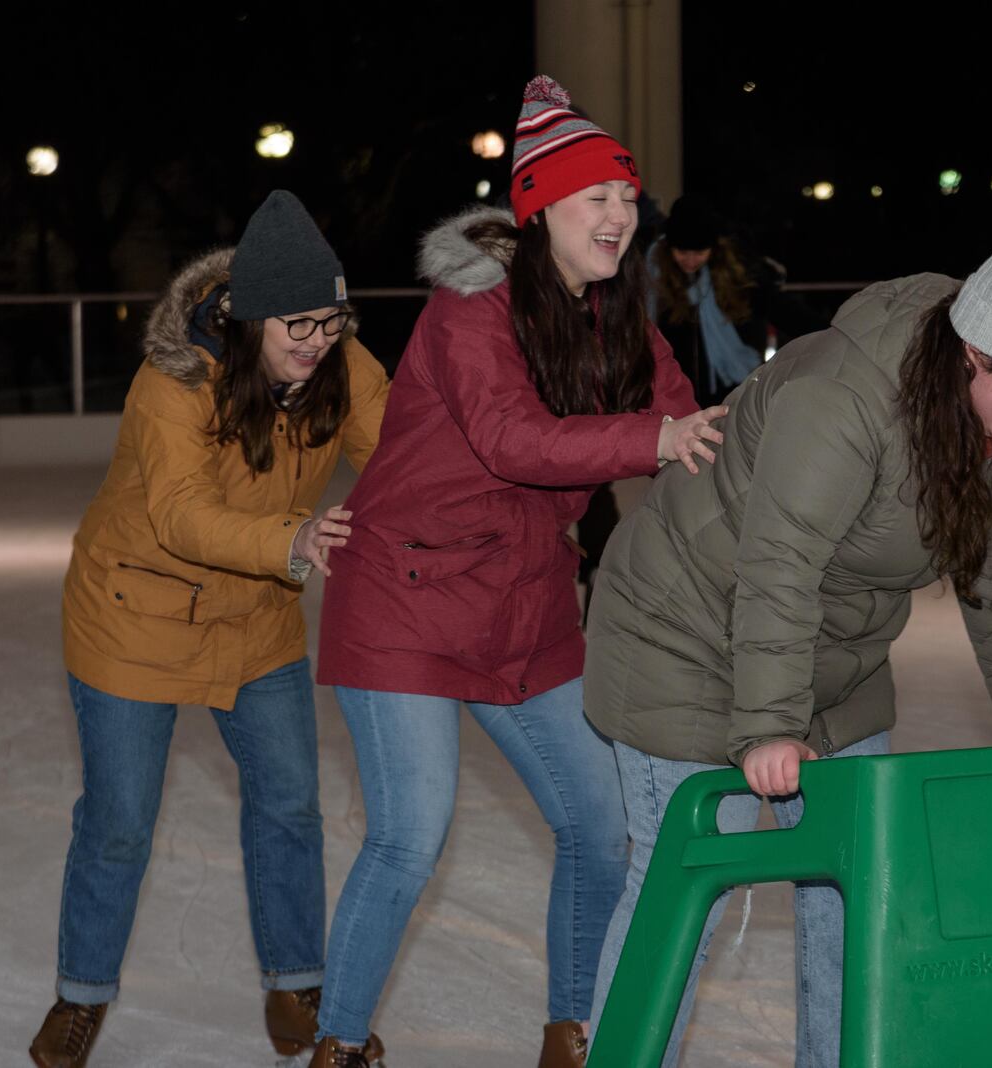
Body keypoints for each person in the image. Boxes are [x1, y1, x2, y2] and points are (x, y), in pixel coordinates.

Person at [584, 205, 992, 1067]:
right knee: (684, 890)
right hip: (681, 637)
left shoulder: (990, 421)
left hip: (832, 661)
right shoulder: (842, 399)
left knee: (853, 889)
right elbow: (780, 564)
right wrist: (767, 724)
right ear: (975, 353)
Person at [308, 75, 724, 1068]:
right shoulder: (472, 310)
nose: (619, 216)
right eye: (597, 199)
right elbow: (511, 439)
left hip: (527, 609)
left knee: (601, 827)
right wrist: (654, 440)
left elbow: (697, 418)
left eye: (627, 199)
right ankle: (336, 1048)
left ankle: (570, 1031)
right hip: (405, 599)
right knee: (408, 836)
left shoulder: (617, 315)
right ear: (538, 208)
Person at [28, 191, 390, 1068]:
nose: (316, 340)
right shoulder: (175, 383)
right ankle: (81, 997)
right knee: (118, 822)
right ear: (248, 316)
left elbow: (404, 451)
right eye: (296, 324)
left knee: (291, 807)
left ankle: (297, 984)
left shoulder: (339, 363)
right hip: (134, 619)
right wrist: (294, 538)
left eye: (332, 320)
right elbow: (183, 516)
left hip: (256, 621)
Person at [647, 194, 768, 407]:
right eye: (683, 251)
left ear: (713, 249)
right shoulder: (651, 280)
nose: (691, 260)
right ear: (669, 247)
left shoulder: (734, 278)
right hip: (671, 395)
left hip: (727, 391)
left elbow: (780, 308)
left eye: (700, 252)